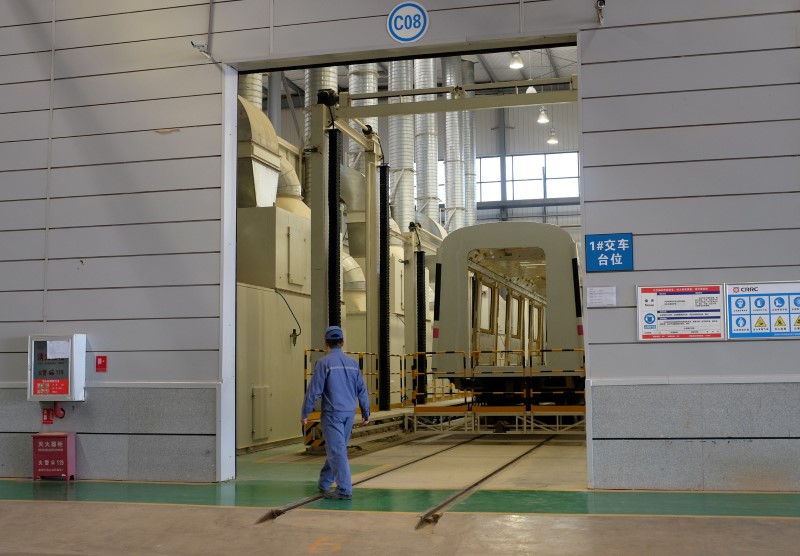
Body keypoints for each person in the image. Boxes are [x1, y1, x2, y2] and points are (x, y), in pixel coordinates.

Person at [301, 325, 370, 500]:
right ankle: (324, 483)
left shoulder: (324, 363)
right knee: (336, 449)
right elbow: (362, 390)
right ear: (342, 342)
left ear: (326, 343)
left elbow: (314, 390)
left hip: (332, 413)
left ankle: (344, 490)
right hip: (349, 413)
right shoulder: (353, 364)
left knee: (337, 451)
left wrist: (305, 412)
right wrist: (365, 412)